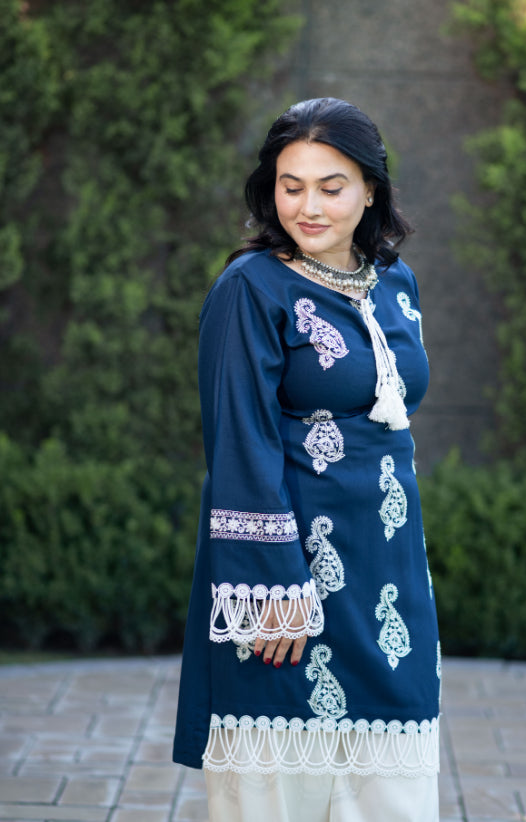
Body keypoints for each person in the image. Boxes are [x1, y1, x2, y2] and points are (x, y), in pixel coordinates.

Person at [173, 97, 441, 822]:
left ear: (370, 190)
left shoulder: (396, 282)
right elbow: (239, 439)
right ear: (270, 188)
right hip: (290, 564)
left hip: (385, 562)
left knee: (392, 771)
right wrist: (273, 588)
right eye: (291, 186)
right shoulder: (249, 288)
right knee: (279, 778)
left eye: (331, 186)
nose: (309, 206)